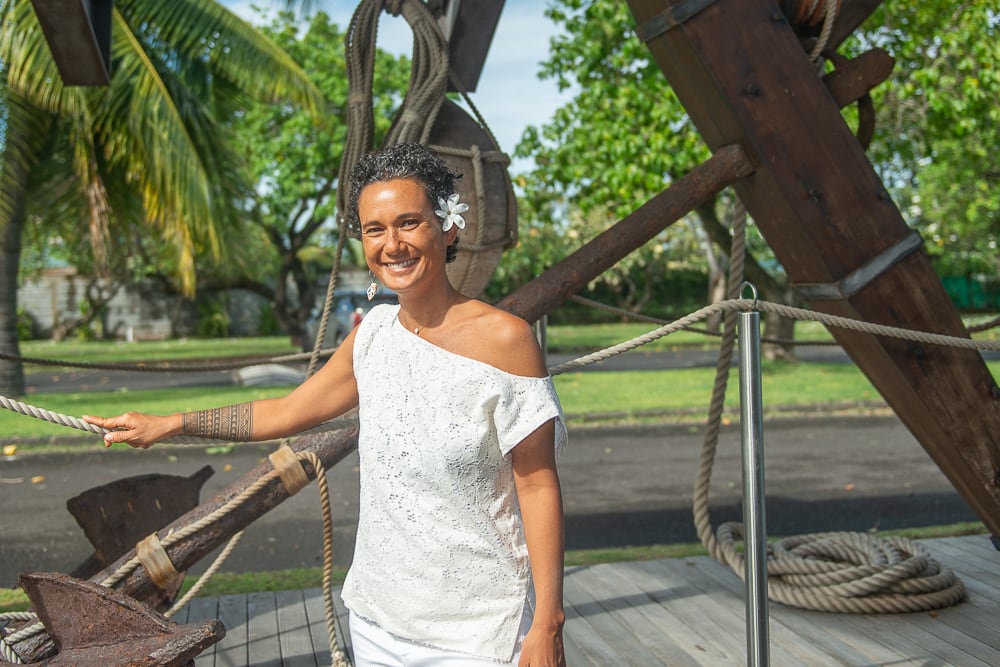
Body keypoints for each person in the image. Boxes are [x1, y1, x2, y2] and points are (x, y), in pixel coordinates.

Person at [84, 143, 568, 667]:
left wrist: (547, 623)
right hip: (379, 622)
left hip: (481, 632)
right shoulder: (374, 334)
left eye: (409, 222)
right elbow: (286, 412)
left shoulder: (506, 340)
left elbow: (537, 485)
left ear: (448, 226)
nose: (392, 244)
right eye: (375, 229)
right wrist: (168, 424)